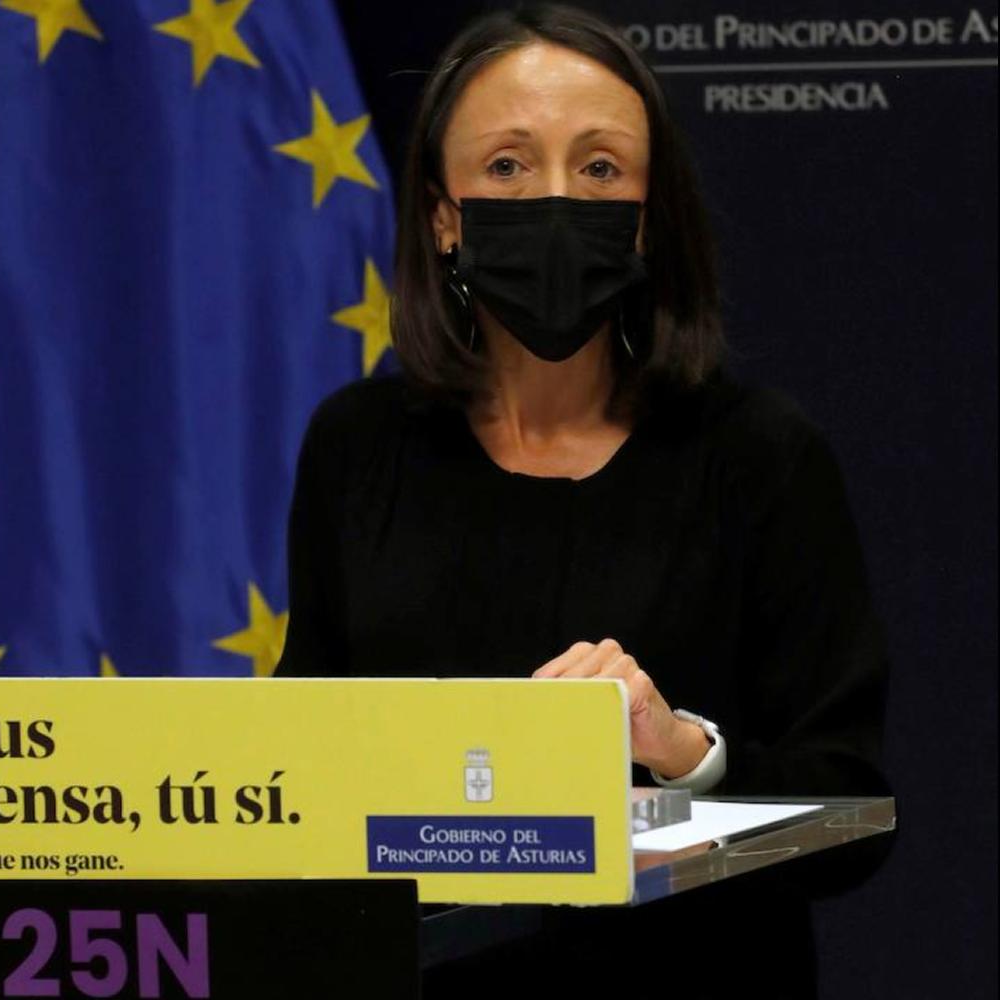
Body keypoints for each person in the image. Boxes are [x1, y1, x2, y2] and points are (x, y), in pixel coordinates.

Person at [276, 4, 890, 995]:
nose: (556, 200)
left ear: (649, 216)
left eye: (600, 169)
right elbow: (300, 779)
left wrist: (683, 751)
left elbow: (853, 821)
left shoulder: (762, 457)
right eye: (509, 167)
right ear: (443, 215)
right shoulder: (359, 447)